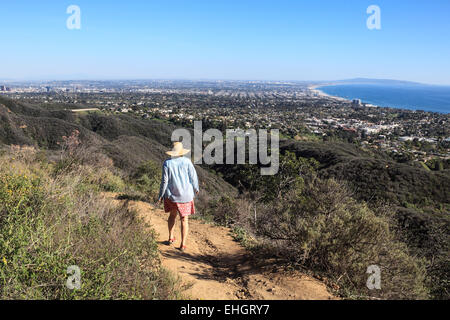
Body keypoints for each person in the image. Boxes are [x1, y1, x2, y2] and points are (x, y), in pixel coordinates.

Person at [157, 142, 199, 251]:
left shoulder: (167, 163)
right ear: (181, 153)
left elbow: (164, 181)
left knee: (172, 215)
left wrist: (161, 195)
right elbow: (193, 177)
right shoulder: (187, 162)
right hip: (186, 196)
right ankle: (183, 244)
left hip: (171, 196)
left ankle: (171, 237)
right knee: (184, 219)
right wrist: (196, 188)